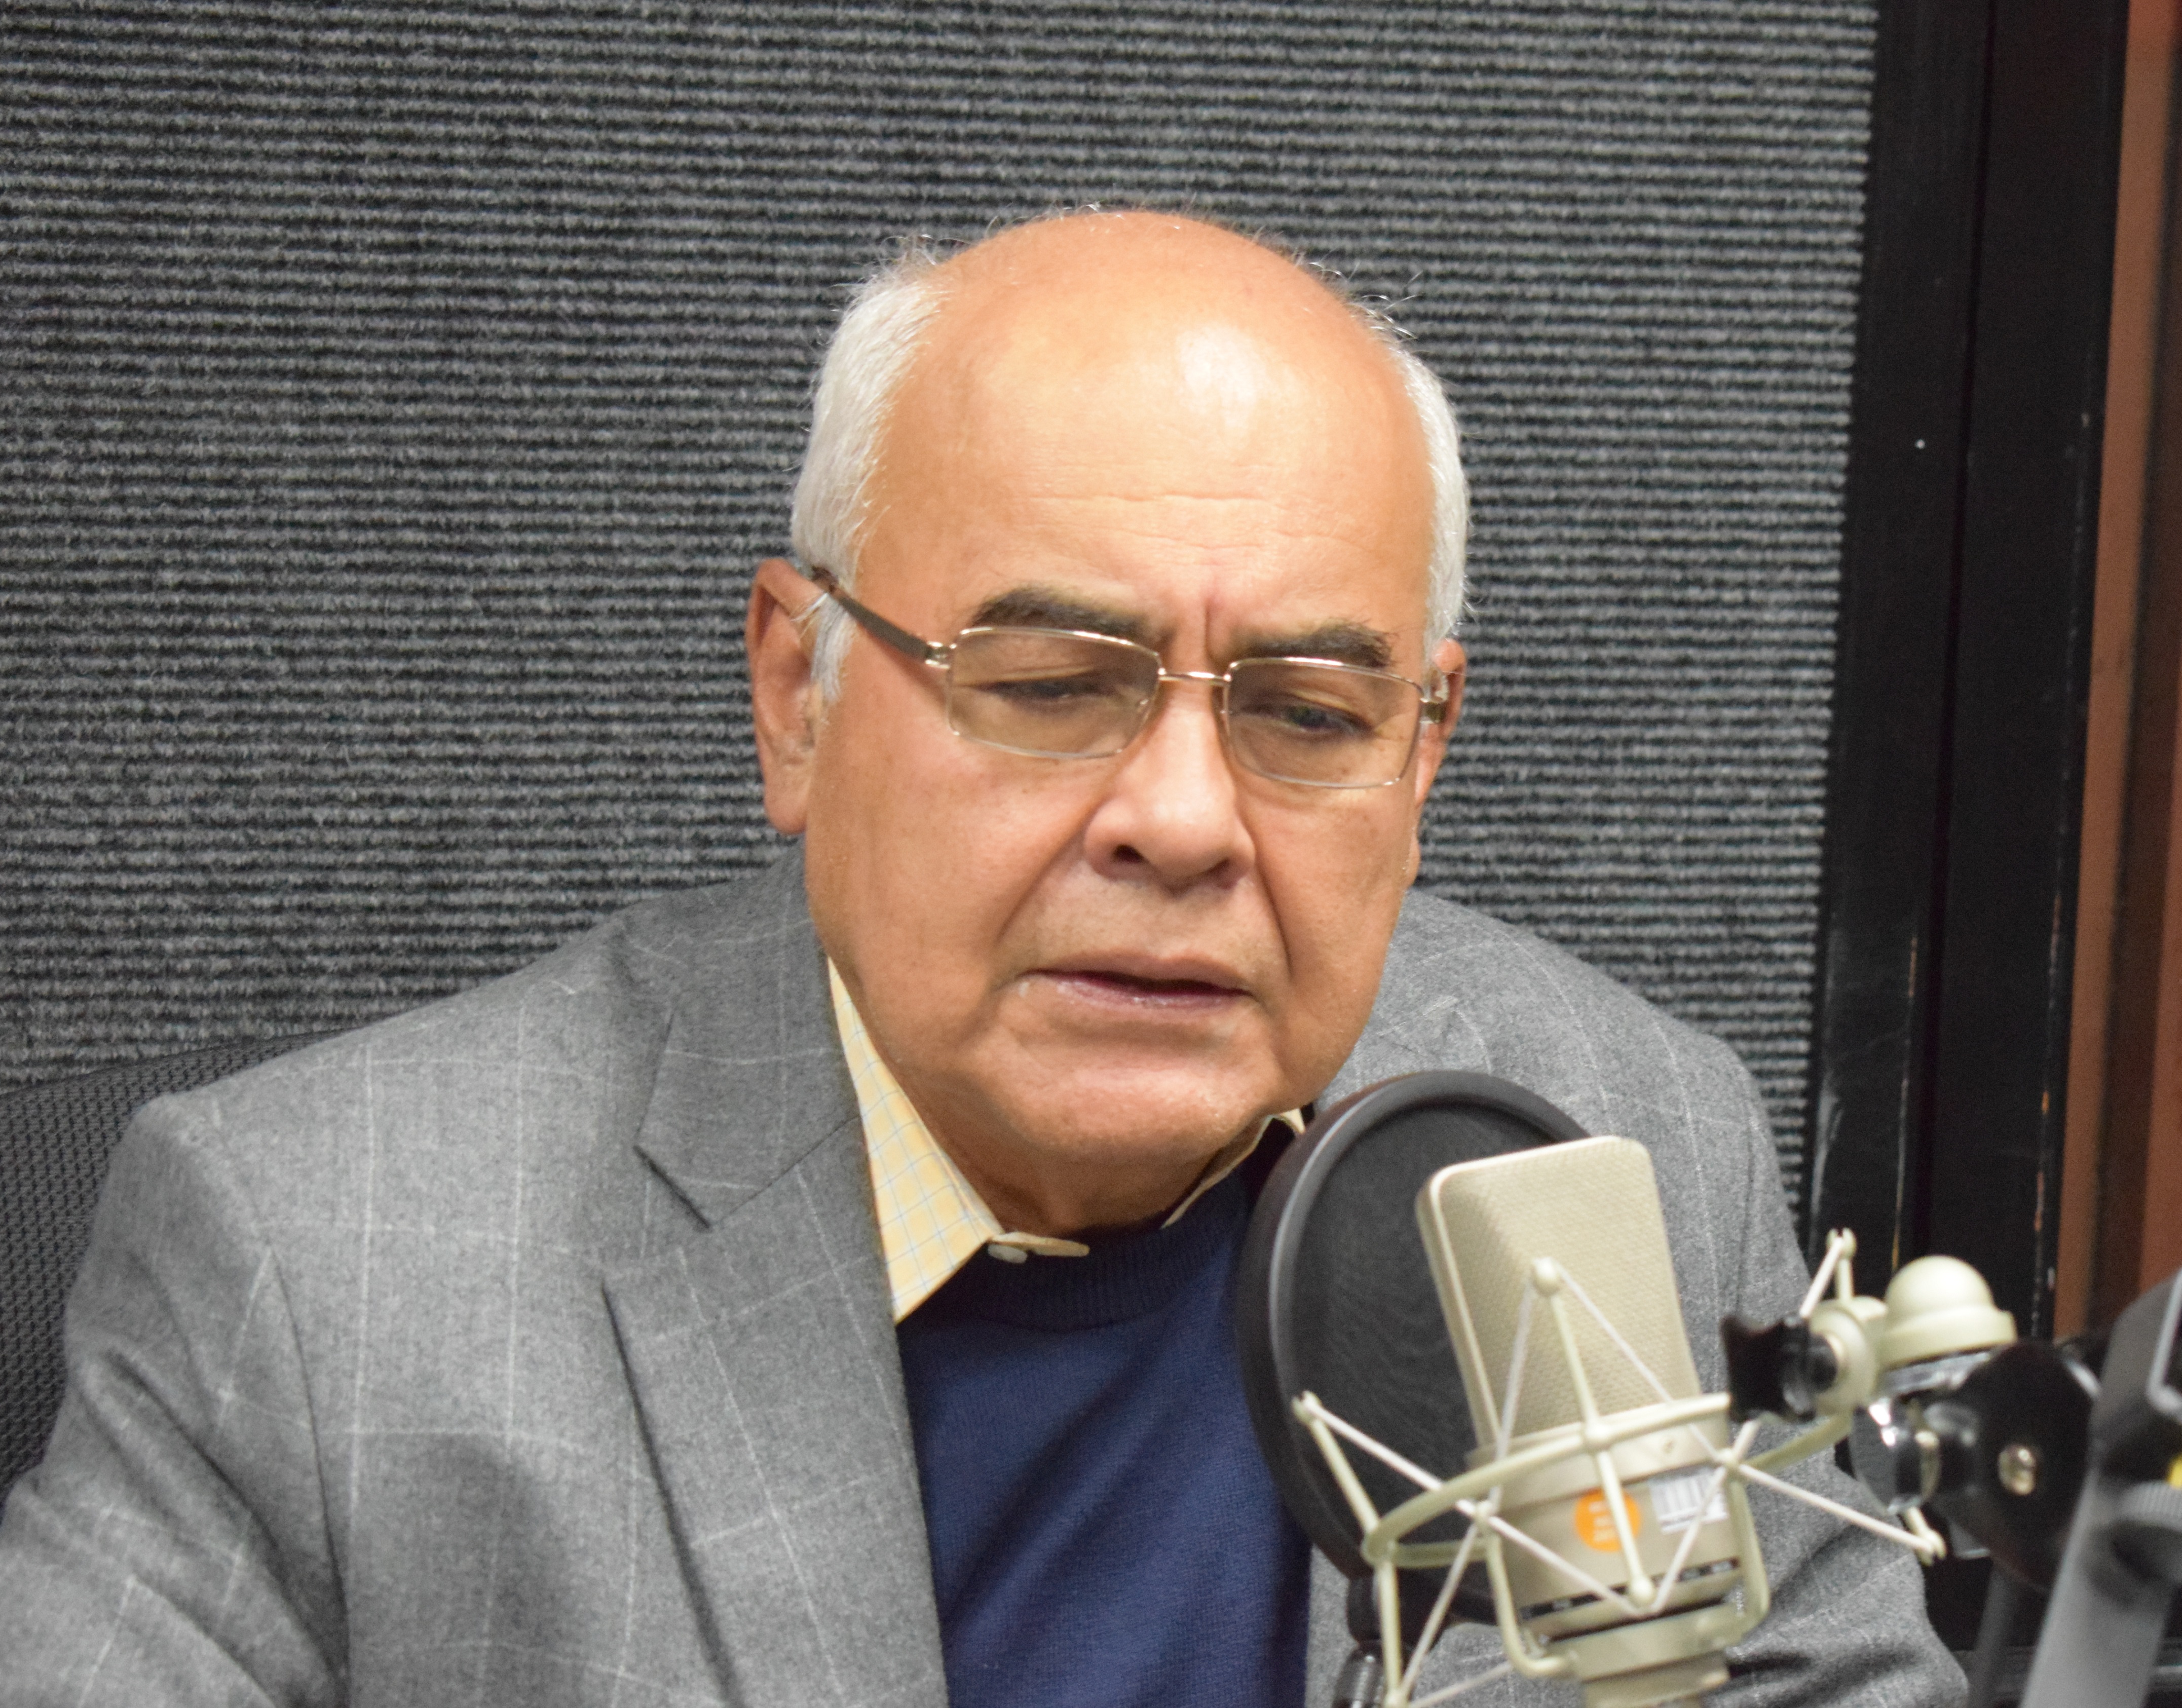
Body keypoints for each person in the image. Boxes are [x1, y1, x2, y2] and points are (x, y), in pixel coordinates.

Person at [0, 211, 1959, 1707]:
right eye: (1049, 684)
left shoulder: (1615, 1143)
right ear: (798, 694)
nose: (1182, 819)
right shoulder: (318, 1272)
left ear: (1422, 751)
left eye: (1304, 712)